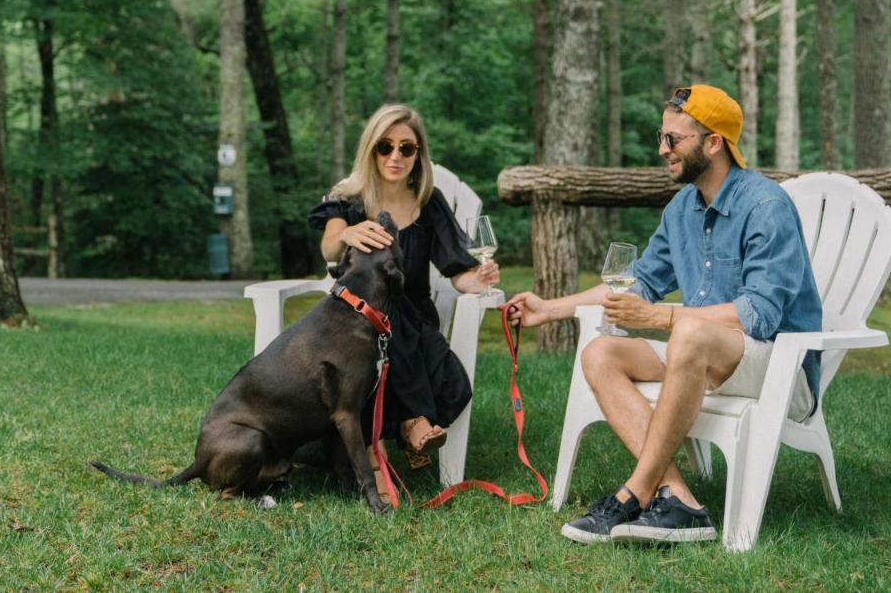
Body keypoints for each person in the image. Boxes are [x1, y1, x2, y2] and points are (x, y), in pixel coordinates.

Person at [506, 84, 822, 544]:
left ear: (713, 143)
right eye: (663, 136)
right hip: (701, 356)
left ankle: (634, 490)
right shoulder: (681, 209)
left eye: (674, 139)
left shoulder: (766, 206)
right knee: (600, 353)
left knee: (689, 330)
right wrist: (548, 308)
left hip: (779, 368)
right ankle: (679, 497)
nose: (662, 149)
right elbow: (635, 285)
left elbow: (760, 315)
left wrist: (663, 319)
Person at [308, 104, 499, 490]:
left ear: (418, 154)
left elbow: (456, 270)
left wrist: (479, 279)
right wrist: (346, 234)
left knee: (418, 340)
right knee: (381, 316)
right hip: (354, 320)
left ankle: (385, 438)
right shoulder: (348, 199)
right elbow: (329, 246)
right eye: (385, 146)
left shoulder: (429, 203)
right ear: (371, 149)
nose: (395, 156)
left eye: (406, 148)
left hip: (414, 319)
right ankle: (410, 424)